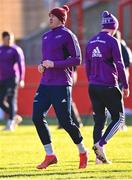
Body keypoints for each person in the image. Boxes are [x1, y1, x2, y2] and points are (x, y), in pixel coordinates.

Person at [32, 5, 88, 169]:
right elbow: (46, 59)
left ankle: (83, 151)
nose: (49, 18)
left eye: (53, 16)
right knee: (36, 117)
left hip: (61, 83)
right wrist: (41, 66)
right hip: (45, 83)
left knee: (66, 122)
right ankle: (50, 155)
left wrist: (54, 64)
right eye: (49, 15)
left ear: (61, 19)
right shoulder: (45, 36)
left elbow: (77, 59)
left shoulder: (68, 35)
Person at [85, 11, 129, 164]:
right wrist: (126, 85)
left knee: (99, 122)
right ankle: (100, 144)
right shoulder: (112, 41)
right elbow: (120, 64)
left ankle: (99, 159)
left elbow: (87, 66)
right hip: (109, 85)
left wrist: (91, 80)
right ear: (114, 27)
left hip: (93, 86)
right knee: (119, 118)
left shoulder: (90, 42)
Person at [0, 31, 22, 131]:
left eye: (11, 39)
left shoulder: (15, 50)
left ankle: (10, 124)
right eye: (8, 39)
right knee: (0, 101)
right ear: (3, 39)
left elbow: (21, 65)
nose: (10, 41)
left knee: (10, 99)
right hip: (1, 79)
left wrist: (21, 79)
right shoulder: (0, 49)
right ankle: (14, 116)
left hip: (12, 78)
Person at [114, 30, 132, 131]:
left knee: (119, 102)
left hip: (121, 78)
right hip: (116, 78)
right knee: (117, 102)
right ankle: (118, 123)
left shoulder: (122, 47)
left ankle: (121, 123)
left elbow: (127, 63)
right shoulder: (120, 46)